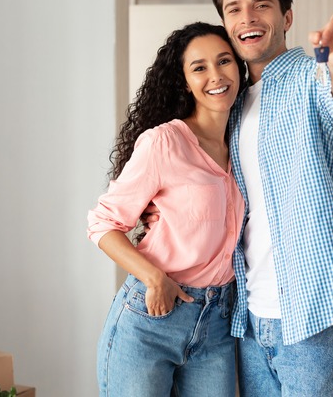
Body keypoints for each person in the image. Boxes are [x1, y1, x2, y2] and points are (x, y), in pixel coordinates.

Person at [211, 0, 333, 396]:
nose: (246, 17)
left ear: (286, 18)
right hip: (248, 312)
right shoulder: (229, 106)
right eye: (233, 9)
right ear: (225, 23)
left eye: (260, 5)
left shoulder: (312, 75)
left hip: (311, 305)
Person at [87, 22, 247, 397]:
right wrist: (155, 278)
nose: (216, 75)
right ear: (185, 82)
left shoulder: (243, 141)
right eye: (199, 67)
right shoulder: (165, 142)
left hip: (218, 321)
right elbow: (103, 223)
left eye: (224, 61)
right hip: (152, 318)